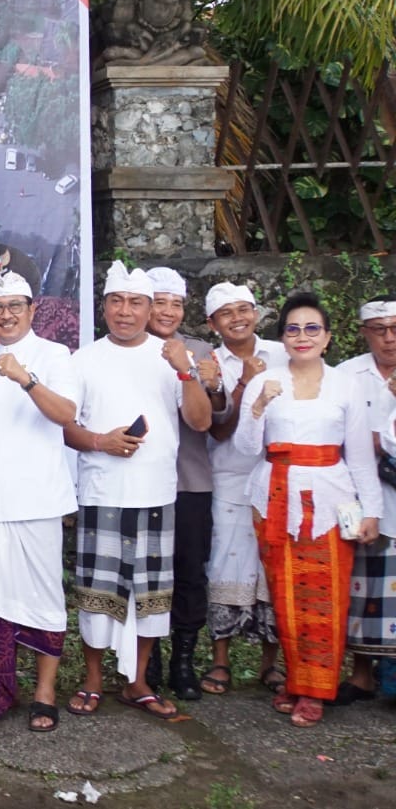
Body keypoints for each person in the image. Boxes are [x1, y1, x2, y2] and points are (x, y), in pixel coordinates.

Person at [63, 261, 211, 721]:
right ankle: (93, 679)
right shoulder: (83, 359)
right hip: (102, 491)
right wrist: (100, 441)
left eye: (135, 303)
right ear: (104, 306)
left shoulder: (172, 355)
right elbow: (67, 427)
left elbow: (200, 421)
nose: (125, 312)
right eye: (116, 301)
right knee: (97, 593)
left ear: (150, 309)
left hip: (157, 492)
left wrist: (186, 372)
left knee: (151, 598)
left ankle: (138, 682)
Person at [235, 292, 383, 728]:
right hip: (273, 499)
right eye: (293, 329)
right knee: (285, 596)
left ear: (327, 337)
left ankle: (317, 689)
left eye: (312, 328)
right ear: (282, 338)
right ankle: (297, 681)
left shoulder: (345, 384)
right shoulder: (265, 381)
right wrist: (258, 407)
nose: (303, 336)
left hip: (329, 502)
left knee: (325, 597)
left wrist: (371, 511)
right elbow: (245, 448)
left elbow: (359, 456)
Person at [0, 269, 80, 732]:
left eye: (15, 306)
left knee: (44, 598)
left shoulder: (55, 356)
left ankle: (45, 693)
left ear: (33, 309)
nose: (7, 315)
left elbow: (67, 414)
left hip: (38, 501)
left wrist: (26, 379)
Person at [143, 266, 224, 700]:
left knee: (190, 572)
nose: (168, 312)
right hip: (140, 481)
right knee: (147, 573)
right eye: (160, 302)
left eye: (176, 304)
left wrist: (214, 386)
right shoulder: (129, 349)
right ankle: (148, 659)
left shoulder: (200, 350)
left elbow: (219, 419)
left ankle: (184, 661)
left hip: (190, 481)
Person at [202, 282, 286, 696]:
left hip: (279, 475)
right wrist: (244, 384)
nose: (237, 318)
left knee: (273, 565)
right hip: (229, 476)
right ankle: (221, 661)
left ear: (256, 313)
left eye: (244, 309)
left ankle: (272, 663)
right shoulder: (210, 363)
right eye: (226, 313)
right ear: (212, 323)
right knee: (226, 564)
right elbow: (218, 431)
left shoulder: (284, 354)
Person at [336, 294, 396, 704]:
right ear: (364, 333)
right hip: (363, 495)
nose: (389, 338)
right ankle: (361, 676)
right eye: (379, 330)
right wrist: (371, 442)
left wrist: (371, 440)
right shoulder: (347, 375)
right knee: (364, 588)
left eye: (395, 330)